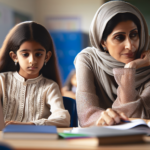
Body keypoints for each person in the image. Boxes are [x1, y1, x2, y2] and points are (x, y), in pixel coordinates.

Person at [74, 1, 150, 127]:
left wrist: (130, 69)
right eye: (120, 37)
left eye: (134, 35)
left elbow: (135, 118)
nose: (130, 46)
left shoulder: (147, 63)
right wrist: (105, 118)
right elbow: (86, 117)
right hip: (97, 141)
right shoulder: (87, 59)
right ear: (103, 42)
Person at [0, 21, 70, 127]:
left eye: (38, 54)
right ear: (14, 56)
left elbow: (63, 119)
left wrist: (31, 124)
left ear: (47, 56)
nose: (32, 60)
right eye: (25, 54)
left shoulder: (50, 87)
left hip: (38, 141)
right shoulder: (2, 80)